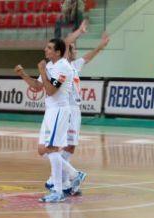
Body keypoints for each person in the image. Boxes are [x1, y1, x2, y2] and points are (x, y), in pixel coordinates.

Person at [14, 38, 85, 202]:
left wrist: (42, 70)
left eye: (49, 48)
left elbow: (51, 90)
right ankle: (74, 174)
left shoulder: (64, 67)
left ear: (58, 52)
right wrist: (23, 75)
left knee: (52, 149)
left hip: (60, 110)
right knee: (42, 149)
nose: (45, 50)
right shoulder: (50, 66)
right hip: (50, 111)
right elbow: (38, 86)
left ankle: (58, 192)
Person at [45, 20, 110, 196]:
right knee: (57, 147)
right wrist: (80, 31)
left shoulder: (74, 66)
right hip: (66, 109)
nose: (75, 50)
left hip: (75, 111)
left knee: (70, 147)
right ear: (67, 51)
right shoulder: (62, 65)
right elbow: (65, 42)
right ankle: (58, 179)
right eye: (73, 48)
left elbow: (89, 57)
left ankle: (63, 180)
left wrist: (100, 46)